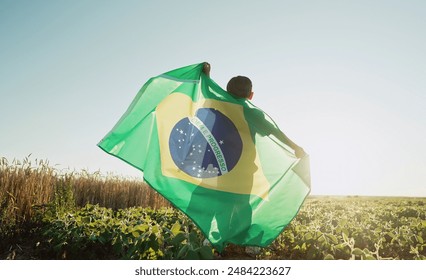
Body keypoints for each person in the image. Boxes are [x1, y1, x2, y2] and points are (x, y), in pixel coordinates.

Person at [202, 62, 306, 159]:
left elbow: (206, 91)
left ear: (227, 92)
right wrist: (295, 147)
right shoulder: (253, 114)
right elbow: (274, 132)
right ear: (251, 95)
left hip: (220, 159)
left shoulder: (220, 104)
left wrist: (206, 74)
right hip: (244, 162)